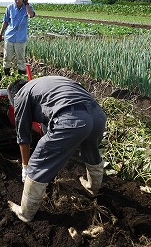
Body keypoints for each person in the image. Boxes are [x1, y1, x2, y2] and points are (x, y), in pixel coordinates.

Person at [6, 76, 107, 222]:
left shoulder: (21, 95)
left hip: (72, 119)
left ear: (14, 97)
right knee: (91, 149)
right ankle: (93, 188)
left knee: (38, 161)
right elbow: (49, 124)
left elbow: (23, 135)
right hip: (97, 115)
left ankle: (25, 213)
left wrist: (26, 166)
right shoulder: (47, 84)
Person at [0, 0, 35, 76]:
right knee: (7, 58)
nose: (17, 1)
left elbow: (31, 15)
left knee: (21, 59)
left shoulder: (28, 7)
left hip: (21, 38)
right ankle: (7, 75)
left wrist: (26, 4)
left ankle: (21, 77)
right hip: (9, 37)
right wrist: (0, 34)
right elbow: (6, 21)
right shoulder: (9, 8)